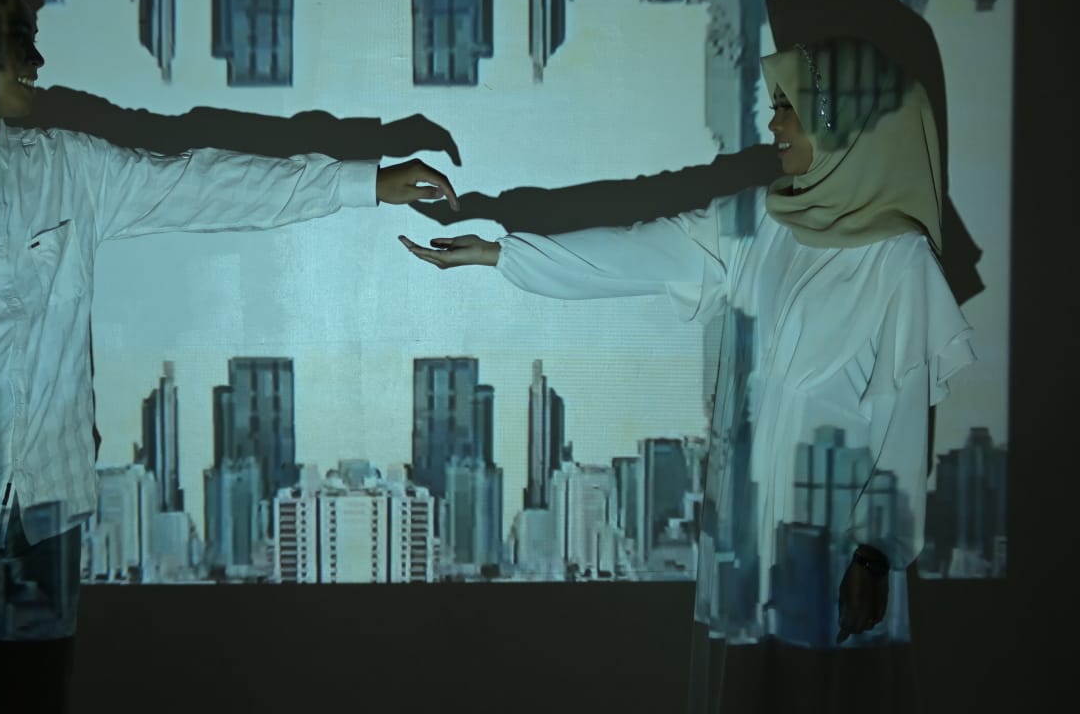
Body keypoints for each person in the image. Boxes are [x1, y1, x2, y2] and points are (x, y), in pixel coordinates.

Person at [0, 0, 459, 714]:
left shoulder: (69, 167)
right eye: (17, 36)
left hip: (42, 521)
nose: (37, 59)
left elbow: (200, 183)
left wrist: (364, 182)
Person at [401, 35, 975, 712]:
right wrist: (502, 254)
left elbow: (902, 424)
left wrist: (875, 554)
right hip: (754, 537)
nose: (774, 124)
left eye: (789, 108)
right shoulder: (763, 224)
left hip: (839, 547)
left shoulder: (900, 260)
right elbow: (638, 252)